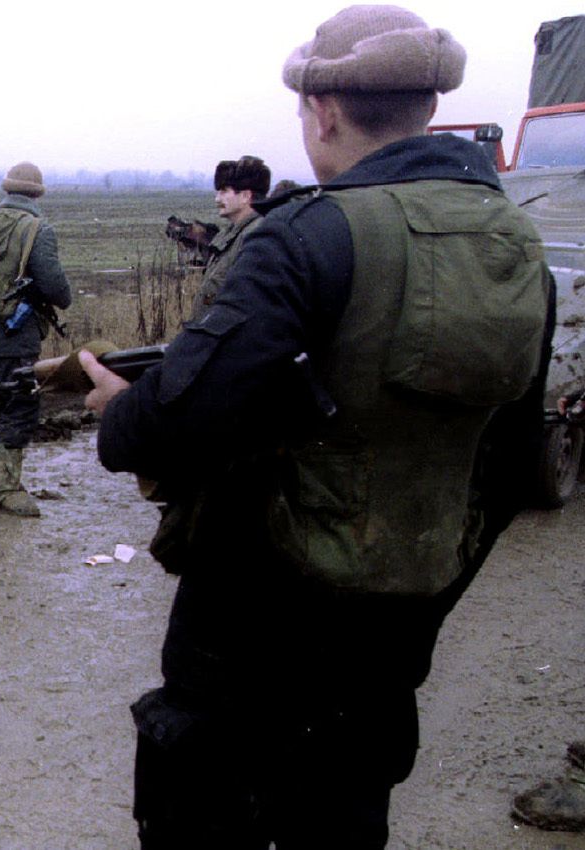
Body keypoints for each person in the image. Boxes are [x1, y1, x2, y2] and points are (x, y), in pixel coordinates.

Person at [79, 7, 554, 847]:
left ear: (324, 111)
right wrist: (424, 593)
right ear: (425, 108)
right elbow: (514, 463)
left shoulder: (309, 235)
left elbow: (167, 429)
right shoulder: (516, 244)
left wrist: (121, 409)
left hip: (248, 636)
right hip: (389, 640)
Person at [0, 162, 71, 516]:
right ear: (37, 194)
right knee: (21, 404)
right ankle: (2, 488)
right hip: (16, 331)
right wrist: (63, 299)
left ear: (8, 191)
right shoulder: (37, 228)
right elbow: (55, 286)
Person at [190, 155, 270, 320]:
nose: (217, 198)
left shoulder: (256, 236)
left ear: (246, 196)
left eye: (224, 191)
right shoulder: (232, 235)